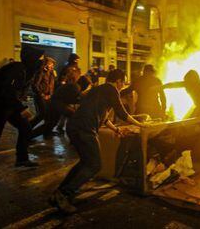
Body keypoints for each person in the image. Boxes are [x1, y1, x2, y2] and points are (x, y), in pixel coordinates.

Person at [49, 69, 149, 213]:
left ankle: (60, 192)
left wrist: (115, 129)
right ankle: (63, 194)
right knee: (95, 165)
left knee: (85, 162)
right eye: (123, 82)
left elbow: (104, 117)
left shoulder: (98, 89)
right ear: (119, 81)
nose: (122, 85)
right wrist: (141, 125)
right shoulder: (111, 89)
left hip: (74, 126)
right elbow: (122, 113)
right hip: (85, 129)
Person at [0, 46, 45, 167]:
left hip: (10, 106)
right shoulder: (18, 68)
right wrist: (22, 108)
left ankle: (22, 159)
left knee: (25, 128)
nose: (41, 61)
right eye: (39, 58)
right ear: (32, 58)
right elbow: (6, 90)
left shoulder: (28, 70)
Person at [162, 70, 200, 162]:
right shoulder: (188, 83)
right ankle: (188, 150)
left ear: (194, 79)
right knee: (184, 124)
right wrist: (161, 87)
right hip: (198, 107)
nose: (187, 82)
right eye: (186, 80)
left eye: (188, 80)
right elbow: (174, 84)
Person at [31, 67, 82, 139]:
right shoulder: (75, 86)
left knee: (51, 123)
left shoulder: (72, 85)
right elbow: (71, 99)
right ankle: (29, 135)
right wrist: (79, 100)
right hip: (57, 104)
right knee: (72, 115)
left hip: (55, 103)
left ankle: (37, 134)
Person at [31, 57, 56, 128]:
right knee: (42, 114)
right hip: (40, 96)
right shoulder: (40, 72)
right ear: (46, 64)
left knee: (48, 115)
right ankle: (28, 127)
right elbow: (34, 85)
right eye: (50, 64)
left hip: (48, 96)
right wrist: (41, 94)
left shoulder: (51, 73)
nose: (52, 66)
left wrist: (50, 95)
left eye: (52, 65)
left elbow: (52, 85)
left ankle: (46, 131)